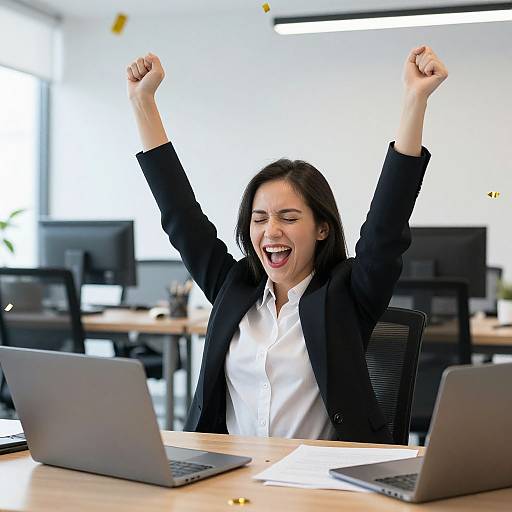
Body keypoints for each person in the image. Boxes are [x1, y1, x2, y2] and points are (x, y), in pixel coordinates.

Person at [127, 46, 448, 443]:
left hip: (316, 484)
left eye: (289, 218)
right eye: (259, 219)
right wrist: (143, 102)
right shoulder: (235, 287)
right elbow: (181, 218)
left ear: (322, 229)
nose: (270, 231)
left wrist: (414, 99)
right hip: (230, 478)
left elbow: (386, 226)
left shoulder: (347, 295)